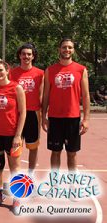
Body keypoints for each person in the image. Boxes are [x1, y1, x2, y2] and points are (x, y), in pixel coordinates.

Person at [42, 37, 90, 172]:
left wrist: (86, 119)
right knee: (55, 152)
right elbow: (46, 95)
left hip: (73, 118)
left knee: (72, 153)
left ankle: (72, 183)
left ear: (73, 50)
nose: (67, 50)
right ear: (59, 49)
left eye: (69, 47)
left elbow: (85, 96)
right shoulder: (50, 70)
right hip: (55, 117)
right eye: (64, 47)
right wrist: (43, 116)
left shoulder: (81, 70)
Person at [0, 61, 26, 214]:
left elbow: (23, 113)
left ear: (7, 70)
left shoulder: (16, 88)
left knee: (15, 166)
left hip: (12, 134)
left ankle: (17, 198)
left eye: (0, 70)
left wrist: (17, 135)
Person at [9, 43, 44, 178]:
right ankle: (16, 176)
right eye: (23, 54)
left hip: (33, 114)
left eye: (29, 54)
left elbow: (42, 95)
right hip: (16, 114)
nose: (26, 56)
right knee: (16, 146)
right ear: (19, 55)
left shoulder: (40, 73)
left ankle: (30, 175)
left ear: (33, 56)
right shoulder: (12, 73)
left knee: (33, 147)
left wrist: (44, 114)